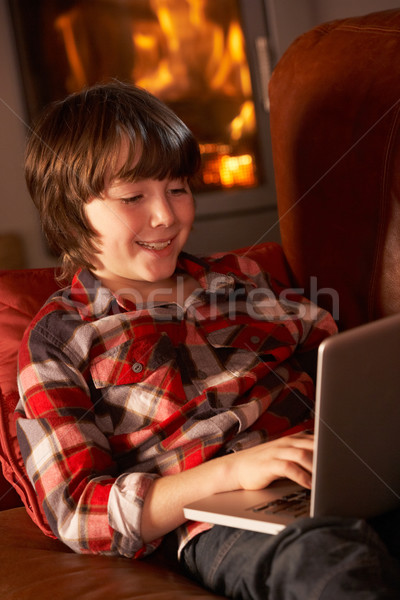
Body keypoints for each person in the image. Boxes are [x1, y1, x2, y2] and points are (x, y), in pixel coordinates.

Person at [16, 81, 400, 598]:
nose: (167, 216)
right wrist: (232, 472)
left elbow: (344, 360)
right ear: (69, 209)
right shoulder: (60, 340)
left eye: (177, 188)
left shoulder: (236, 277)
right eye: (134, 197)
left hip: (328, 474)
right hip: (225, 522)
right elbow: (79, 512)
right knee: (326, 567)